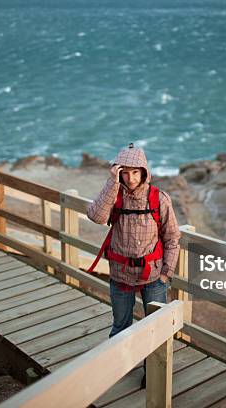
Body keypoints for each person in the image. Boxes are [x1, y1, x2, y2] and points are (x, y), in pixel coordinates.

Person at [86, 143, 181, 387]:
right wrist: (112, 183)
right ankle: (120, 366)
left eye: (135, 172)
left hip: (153, 276)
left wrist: (165, 275)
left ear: (144, 172)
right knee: (120, 326)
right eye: (125, 172)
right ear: (118, 172)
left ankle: (153, 372)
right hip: (120, 274)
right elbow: (96, 216)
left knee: (155, 330)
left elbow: (172, 238)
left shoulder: (159, 198)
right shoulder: (114, 195)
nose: (131, 178)